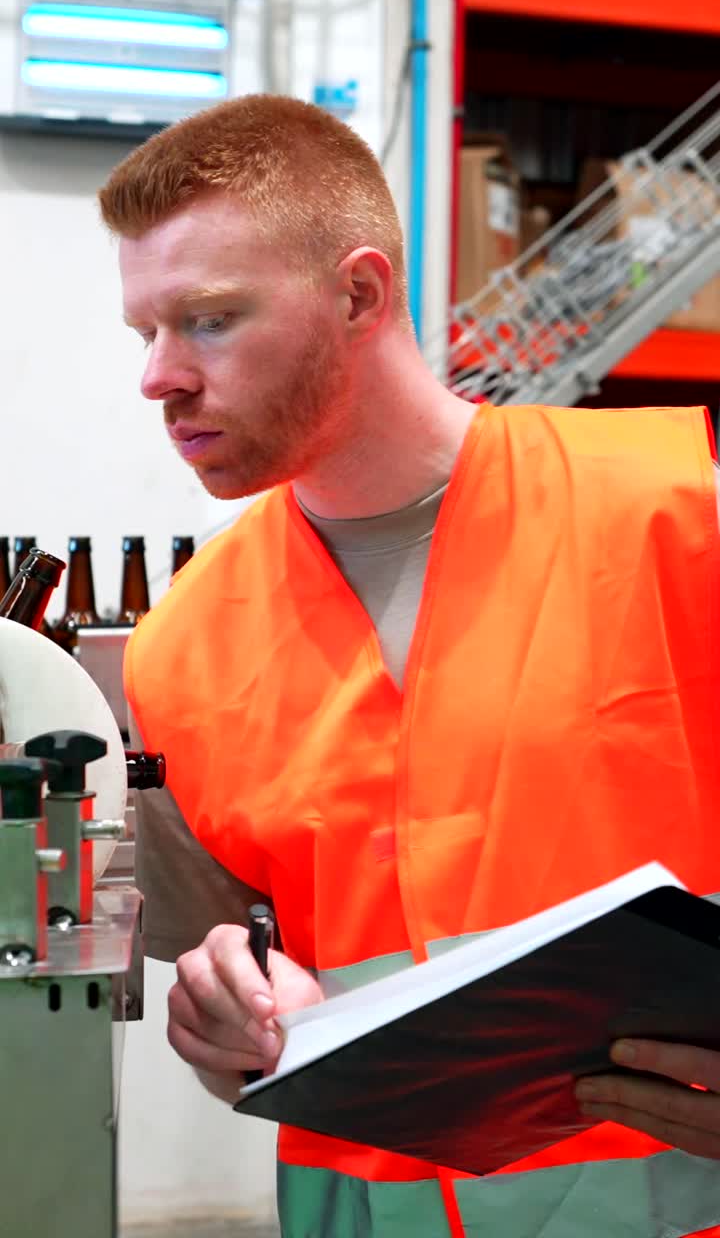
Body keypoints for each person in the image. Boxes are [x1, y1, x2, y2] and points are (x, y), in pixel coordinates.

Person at [99, 94, 720, 1238]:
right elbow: (239, 1009)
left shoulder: (680, 515)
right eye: (146, 331)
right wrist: (222, 1028)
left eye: (209, 320)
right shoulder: (181, 648)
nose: (160, 376)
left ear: (360, 293)